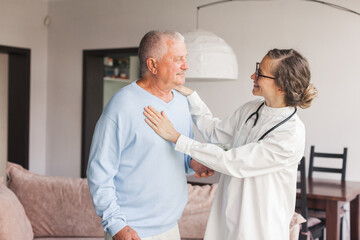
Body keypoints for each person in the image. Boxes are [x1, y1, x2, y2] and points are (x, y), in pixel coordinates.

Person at [144, 48, 318, 240]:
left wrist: (177, 138)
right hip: (228, 219)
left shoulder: (291, 133)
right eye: (257, 68)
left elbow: (232, 162)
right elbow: (215, 133)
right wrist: (191, 97)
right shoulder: (251, 109)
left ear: (281, 87)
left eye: (260, 73)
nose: (253, 75)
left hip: (260, 228)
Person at [87, 30, 214, 240]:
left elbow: (177, 156)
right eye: (177, 59)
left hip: (171, 227)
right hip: (132, 230)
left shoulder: (182, 103)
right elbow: (99, 172)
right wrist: (117, 226)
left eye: (185, 57)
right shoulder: (122, 105)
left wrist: (193, 163)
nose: (186, 65)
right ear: (153, 65)